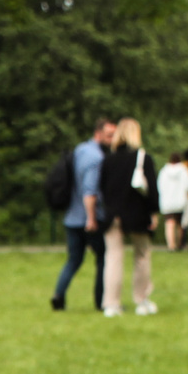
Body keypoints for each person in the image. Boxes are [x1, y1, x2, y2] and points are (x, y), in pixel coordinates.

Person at [50, 118, 113, 311]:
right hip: (89, 218)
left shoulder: (80, 150)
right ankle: (100, 301)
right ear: (98, 133)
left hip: (72, 217)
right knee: (103, 259)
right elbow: (89, 191)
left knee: (74, 260)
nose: (112, 140)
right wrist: (92, 218)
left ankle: (58, 295)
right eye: (109, 135)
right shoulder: (96, 158)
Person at [101, 118, 159, 315]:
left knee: (113, 258)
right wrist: (154, 213)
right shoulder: (144, 159)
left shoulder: (108, 160)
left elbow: (102, 188)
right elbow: (152, 190)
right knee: (142, 256)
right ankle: (141, 301)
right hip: (137, 215)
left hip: (112, 216)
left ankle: (111, 304)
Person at [156, 148, 188, 253]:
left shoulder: (164, 171)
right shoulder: (184, 170)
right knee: (179, 224)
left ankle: (170, 245)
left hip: (167, 201)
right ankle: (179, 244)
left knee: (169, 222)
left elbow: (159, 186)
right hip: (180, 201)